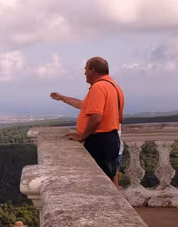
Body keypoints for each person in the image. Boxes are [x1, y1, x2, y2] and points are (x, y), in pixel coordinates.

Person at [51, 56, 125, 186]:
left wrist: (82, 137)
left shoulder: (98, 88)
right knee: (109, 179)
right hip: (111, 139)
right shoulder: (115, 87)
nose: (84, 72)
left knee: (100, 183)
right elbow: (120, 118)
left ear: (93, 70)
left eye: (86, 69)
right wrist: (62, 98)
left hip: (100, 141)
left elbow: (96, 118)